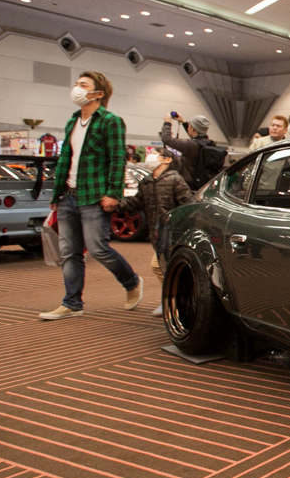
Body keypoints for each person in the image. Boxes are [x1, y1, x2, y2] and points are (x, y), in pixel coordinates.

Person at [41, 71, 141, 319]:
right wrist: (57, 194)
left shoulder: (110, 121)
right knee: (69, 252)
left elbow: (117, 159)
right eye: (76, 84)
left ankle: (131, 282)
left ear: (98, 93)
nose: (76, 88)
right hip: (68, 195)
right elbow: (66, 159)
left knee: (97, 249)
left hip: (94, 196)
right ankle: (72, 303)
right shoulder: (72, 121)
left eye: (83, 85)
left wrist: (113, 194)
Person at [117, 151, 195, 317]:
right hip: (156, 234)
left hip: (171, 233)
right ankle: (174, 300)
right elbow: (136, 202)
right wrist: (115, 204)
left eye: (157, 154)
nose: (151, 157)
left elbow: (188, 205)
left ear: (167, 160)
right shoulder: (146, 181)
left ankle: (174, 301)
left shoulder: (174, 180)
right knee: (164, 267)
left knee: (160, 266)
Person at [160, 114, 224, 191]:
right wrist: (183, 122)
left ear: (192, 128)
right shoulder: (209, 143)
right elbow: (195, 137)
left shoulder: (191, 145)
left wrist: (167, 123)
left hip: (188, 185)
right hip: (202, 183)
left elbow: (166, 139)